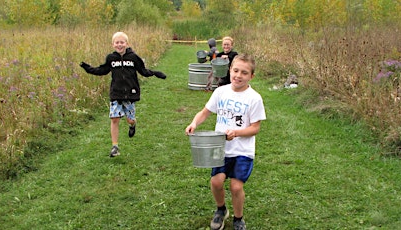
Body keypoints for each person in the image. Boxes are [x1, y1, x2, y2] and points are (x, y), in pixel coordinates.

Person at [185, 54, 266, 230]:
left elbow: (255, 128)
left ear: (251, 76)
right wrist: (194, 123)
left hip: (242, 151)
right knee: (216, 182)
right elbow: (205, 112)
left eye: (244, 73)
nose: (238, 75)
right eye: (235, 70)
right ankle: (221, 210)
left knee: (236, 187)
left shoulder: (254, 98)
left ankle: (238, 219)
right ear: (229, 70)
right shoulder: (220, 92)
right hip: (220, 148)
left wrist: (237, 133)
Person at [80, 32, 166, 157]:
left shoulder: (133, 57)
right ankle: (115, 146)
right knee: (114, 119)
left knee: (130, 119)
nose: (119, 45)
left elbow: (143, 70)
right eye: (117, 42)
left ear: (127, 43)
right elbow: (102, 70)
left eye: (122, 42)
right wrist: (87, 68)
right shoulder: (111, 58)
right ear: (113, 44)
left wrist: (155, 73)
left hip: (130, 94)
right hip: (116, 93)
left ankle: (133, 125)